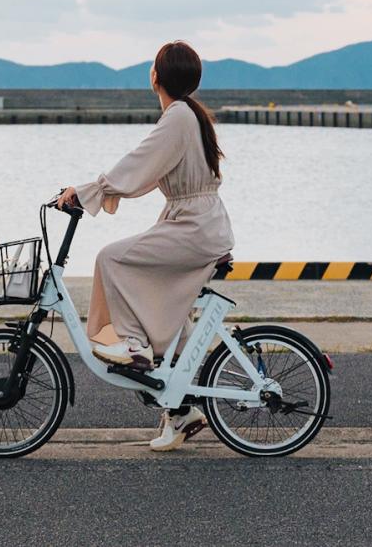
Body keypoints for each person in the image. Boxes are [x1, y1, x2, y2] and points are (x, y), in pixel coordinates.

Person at [55, 40, 234, 452]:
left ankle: (132, 345)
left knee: (113, 258)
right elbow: (146, 172)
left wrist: (85, 192)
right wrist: (95, 190)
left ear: (155, 77)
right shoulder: (188, 116)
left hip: (194, 227)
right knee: (175, 320)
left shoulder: (177, 119)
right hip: (196, 223)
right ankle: (183, 410)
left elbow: (136, 165)